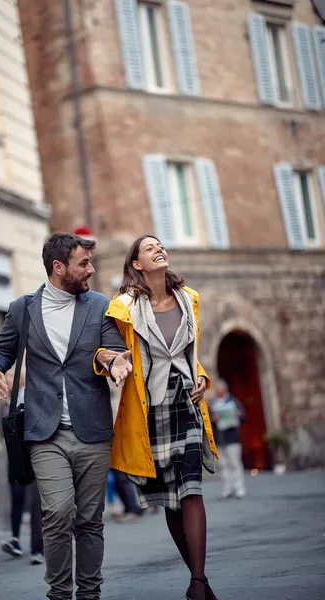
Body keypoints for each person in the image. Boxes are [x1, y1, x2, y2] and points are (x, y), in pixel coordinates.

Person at [0, 233, 132, 600]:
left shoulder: (98, 305)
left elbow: (114, 349)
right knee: (58, 512)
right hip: (44, 431)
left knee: (90, 521)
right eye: (84, 263)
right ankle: (60, 594)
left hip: (92, 428)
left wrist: (114, 362)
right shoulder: (23, 308)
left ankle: (89, 593)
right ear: (58, 267)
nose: (91, 269)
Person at [103, 235, 220, 600]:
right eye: (149, 248)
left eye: (160, 245)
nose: (159, 250)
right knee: (170, 499)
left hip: (186, 404)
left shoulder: (190, 298)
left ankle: (198, 583)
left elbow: (190, 354)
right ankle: (198, 580)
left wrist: (201, 376)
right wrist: (112, 363)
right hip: (149, 410)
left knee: (191, 491)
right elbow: (107, 351)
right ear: (137, 264)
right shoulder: (123, 307)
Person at [0, 369, 44, 564]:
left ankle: (38, 548)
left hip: (34, 455)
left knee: (37, 503)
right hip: (15, 457)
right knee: (17, 498)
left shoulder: (30, 396)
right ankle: (15, 539)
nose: (7, 379)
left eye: (9, 376)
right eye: (5, 376)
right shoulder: (6, 402)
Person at [209, 380, 246, 499]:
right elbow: (207, 420)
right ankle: (227, 489)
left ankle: (239, 488)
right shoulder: (212, 404)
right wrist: (213, 418)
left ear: (224, 390)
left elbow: (243, 416)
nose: (217, 392)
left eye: (219, 390)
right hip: (219, 438)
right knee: (223, 466)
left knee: (235, 464)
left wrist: (237, 415)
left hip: (232, 438)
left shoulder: (233, 402)